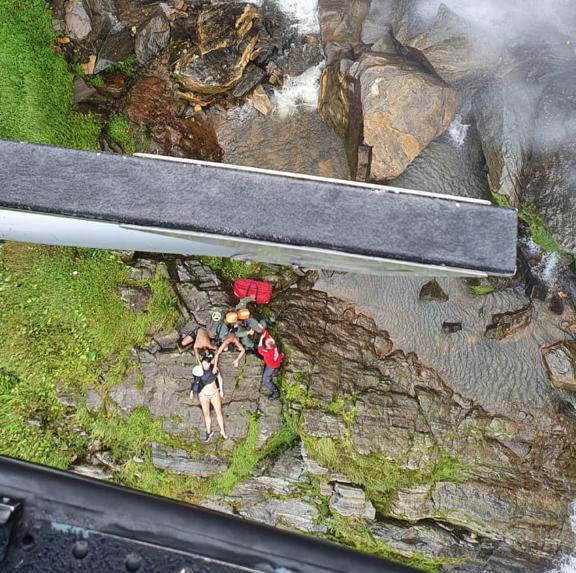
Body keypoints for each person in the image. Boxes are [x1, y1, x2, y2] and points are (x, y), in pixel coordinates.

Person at [191, 361, 228, 442]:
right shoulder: (199, 371)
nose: (203, 365)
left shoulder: (214, 369)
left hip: (214, 394)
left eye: (205, 364)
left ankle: (222, 431)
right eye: (202, 364)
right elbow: (195, 381)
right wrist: (192, 391)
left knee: (219, 412)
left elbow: (219, 378)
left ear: (209, 364)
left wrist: (221, 390)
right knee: (206, 414)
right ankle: (208, 432)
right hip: (203, 395)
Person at [257, 328, 284, 400]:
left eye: (265, 344)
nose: (265, 343)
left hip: (271, 365)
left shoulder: (268, 353)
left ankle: (276, 392)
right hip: (276, 361)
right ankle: (277, 368)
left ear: (269, 346)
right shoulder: (273, 344)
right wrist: (262, 328)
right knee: (275, 361)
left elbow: (259, 349)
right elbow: (267, 335)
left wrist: (261, 339)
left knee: (265, 380)